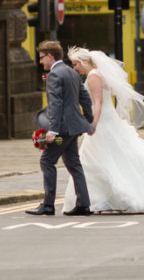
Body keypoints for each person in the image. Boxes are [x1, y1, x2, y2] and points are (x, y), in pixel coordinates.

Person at [65, 47, 144, 214]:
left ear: (85, 62)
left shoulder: (93, 76)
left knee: (97, 159)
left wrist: (93, 124)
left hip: (103, 121)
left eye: (76, 64)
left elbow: (97, 102)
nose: (75, 68)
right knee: (112, 157)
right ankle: (100, 199)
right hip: (109, 118)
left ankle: (98, 199)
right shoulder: (100, 73)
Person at [27, 40, 95, 216]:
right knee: (73, 164)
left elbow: (55, 104)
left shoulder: (55, 75)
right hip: (73, 129)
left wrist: (52, 131)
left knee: (47, 161)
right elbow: (85, 97)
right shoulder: (71, 73)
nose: (41, 61)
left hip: (62, 130)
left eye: (42, 57)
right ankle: (83, 204)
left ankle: (48, 205)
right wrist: (88, 120)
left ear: (50, 56)